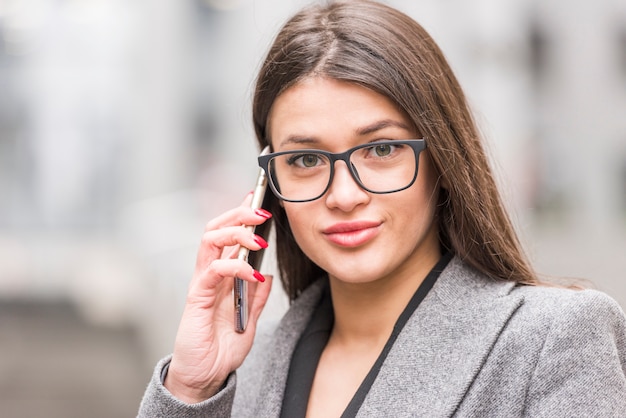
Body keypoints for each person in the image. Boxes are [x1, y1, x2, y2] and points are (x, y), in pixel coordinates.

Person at [138, 1, 626, 416]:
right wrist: (190, 390)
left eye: (381, 150)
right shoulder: (242, 368)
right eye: (306, 159)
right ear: (268, 187)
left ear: (443, 158)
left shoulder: (552, 339)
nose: (344, 195)